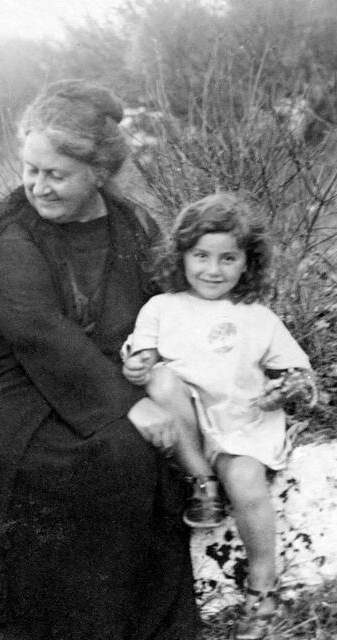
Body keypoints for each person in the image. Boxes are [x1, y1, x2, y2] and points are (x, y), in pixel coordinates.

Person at [0, 79, 199, 639]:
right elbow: (35, 329)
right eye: (30, 169)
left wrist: (149, 362)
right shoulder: (13, 229)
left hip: (99, 373)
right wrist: (125, 406)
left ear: (99, 174)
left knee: (127, 458)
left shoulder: (132, 226)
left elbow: (163, 305)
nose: (37, 185)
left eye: (55, 175)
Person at [122, 192, 317, 640]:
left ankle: (262, 588)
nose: (213, 270)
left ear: (247, 263)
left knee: (247, 482)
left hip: (242, 422)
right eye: (201, 256)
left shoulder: (256, 316)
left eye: (228, 258)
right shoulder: (162, 307)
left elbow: (299, 373)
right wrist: (136, 365)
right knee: (161, 379)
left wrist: (282, 389)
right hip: (187, 425)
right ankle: (201, 482)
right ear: (182, 256)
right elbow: (140, 359)